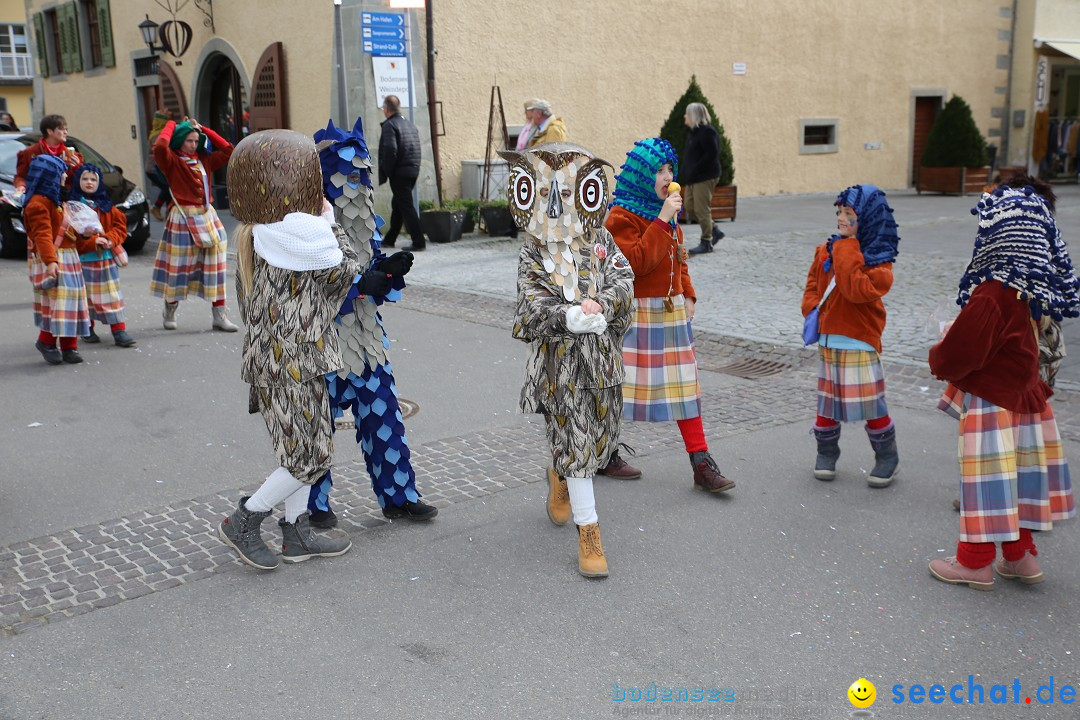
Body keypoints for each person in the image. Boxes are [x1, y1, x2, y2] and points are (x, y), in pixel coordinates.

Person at [218, 129, 368, 570]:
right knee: (313, 454)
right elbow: (347, 271)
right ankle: (245, 520)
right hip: (295, 364)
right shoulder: (308, 238)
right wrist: (330, 221)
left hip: (277, 363)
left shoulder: (254, 236)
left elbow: (251, 309)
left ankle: (297, 531)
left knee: (301, 451)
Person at [928, 183, 1079, 590]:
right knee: (1018, 476)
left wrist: (938, 355)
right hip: (1025, 396)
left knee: (987, 479)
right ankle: (1020, 557)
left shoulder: (993, 291)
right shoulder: (1030, 287)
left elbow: (966, 349)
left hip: (993, 399)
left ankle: (973, 562)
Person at [503, 142, 635, 578]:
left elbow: (623, 279)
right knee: (577, 444)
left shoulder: (601, 239)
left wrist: (603, 305)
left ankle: (560, 475)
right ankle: (589, 534)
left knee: (600, 441)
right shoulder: (532, 252)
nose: (555, 203)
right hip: (559, 369)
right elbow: (531, 303)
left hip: (603, 365)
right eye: (545, 192)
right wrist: (568, 316)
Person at [308, 116, 438, 526]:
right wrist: (362, 284)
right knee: (315, 427)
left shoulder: (362, 220)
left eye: (363, 171)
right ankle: (314, 507)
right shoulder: (309, 228)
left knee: (385, 419)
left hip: (365, 342)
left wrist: (388, 271)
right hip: (324, 345)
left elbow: (369, 272)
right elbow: (310, 289)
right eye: (350, 173)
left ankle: (399, 496)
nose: (359, 181)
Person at [605, 138, 734, 492]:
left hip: (670, 310)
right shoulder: (621, 217)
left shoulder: (667, 213)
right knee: (618, 389)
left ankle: (701, 463)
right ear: (641, 175)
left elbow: (678, 257)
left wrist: (688, 293)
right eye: (658, 170)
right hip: (635, 313)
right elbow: (637, 264)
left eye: (669, 169)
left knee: (685, 387)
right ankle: (603, 452)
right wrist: (662, 220)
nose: (667, 176)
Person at [802, 185, 900, 487]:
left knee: (871, 404)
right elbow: (813, 286)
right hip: (830, 339)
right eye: (839, 212)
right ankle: (827, 453)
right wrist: (810, 308)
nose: (841, 218)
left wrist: (846, 247)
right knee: (827, 404)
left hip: (860, 341)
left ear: (867, 218)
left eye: (849, 214)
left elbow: (855, 290)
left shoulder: (878, 262)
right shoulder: (825, 250)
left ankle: (887, 456)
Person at [149, 116, 238, 332]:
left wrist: (203, 127)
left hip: (207, 215)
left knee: (216, 265)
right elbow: (160, 145)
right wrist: (173, 124)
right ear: (179, 141)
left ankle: (219, 315)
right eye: (189, 140)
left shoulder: (204, 160)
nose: (193, 144)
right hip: (182, 217)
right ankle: (170, 308)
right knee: (179, 268)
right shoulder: (171, 161)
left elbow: (228, 150)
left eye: (196, 140)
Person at [23, 155, 90, 365]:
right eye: (60, 174)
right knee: (58, 303)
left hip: (69, 256)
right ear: (48, 177)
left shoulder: (56, 199)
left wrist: (85, 234)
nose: (64, 178)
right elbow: (42, 234)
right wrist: (51, 261)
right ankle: (46, 342)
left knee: (72, 303)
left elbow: (68, 229)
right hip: (54, 257)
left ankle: (69, 346)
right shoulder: (37, 204)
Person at [68, 164, 136, 348]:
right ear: (77, 181)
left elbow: (120, 228)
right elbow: (69, 238)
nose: (89, 183)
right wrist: (89, 241)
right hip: (82, 261)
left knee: (111, 296)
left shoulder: (107, 206)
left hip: (105, 260)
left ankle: (119, 330)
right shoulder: (72, 207)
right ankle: (87, 327)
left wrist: (108, 238)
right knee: (85, 297)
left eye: (93, 179)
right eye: (84, 179)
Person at [377, 95, 425, 251]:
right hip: (412, 169)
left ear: (386, 109)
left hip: (400, 172)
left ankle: (419, 241)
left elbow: (391, 149)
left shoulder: (389, 126)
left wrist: (388, 171)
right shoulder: (409, 124)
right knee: (398, 204)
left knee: (406, 206)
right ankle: (390, 239)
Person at [682, 102, 726, 255]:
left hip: (705, 177)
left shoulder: (707, 132)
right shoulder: (693, 133)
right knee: (689, 207)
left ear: (694, 115)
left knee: (702, 209)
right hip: (693, 178)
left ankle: (706, 241)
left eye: (687, 114)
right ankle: (714, 229)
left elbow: (712, 155)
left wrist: (696, 169)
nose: (684, 116)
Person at [14, 114, 83, 193]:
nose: (65, 132)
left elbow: (81, 181)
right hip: (38, 196)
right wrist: (21, 186)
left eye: (66, 129)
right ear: (49, 131)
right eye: (61, 129)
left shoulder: (71, 154)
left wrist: (77, 167)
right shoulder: (30, 152)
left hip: (64, 197)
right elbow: (20, 177)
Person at [146, 110, 171, 221]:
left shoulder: (155, 133)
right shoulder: (159, 135)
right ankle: (159, 208)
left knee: (168, 188)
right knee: (168, 187)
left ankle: (166, 211)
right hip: (155, 168)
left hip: (153, 168)